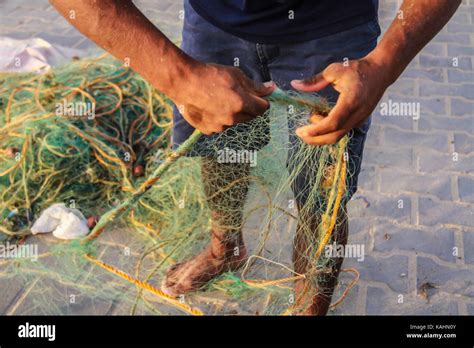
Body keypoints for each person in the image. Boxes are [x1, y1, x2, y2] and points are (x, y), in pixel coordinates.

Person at [51, 0, 461, 315]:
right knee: (218, 152)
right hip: (214, 23)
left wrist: (383, 65)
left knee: (322, 190)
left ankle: (308, 305)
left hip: (333, 28)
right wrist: (177, 75)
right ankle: (224, 249)